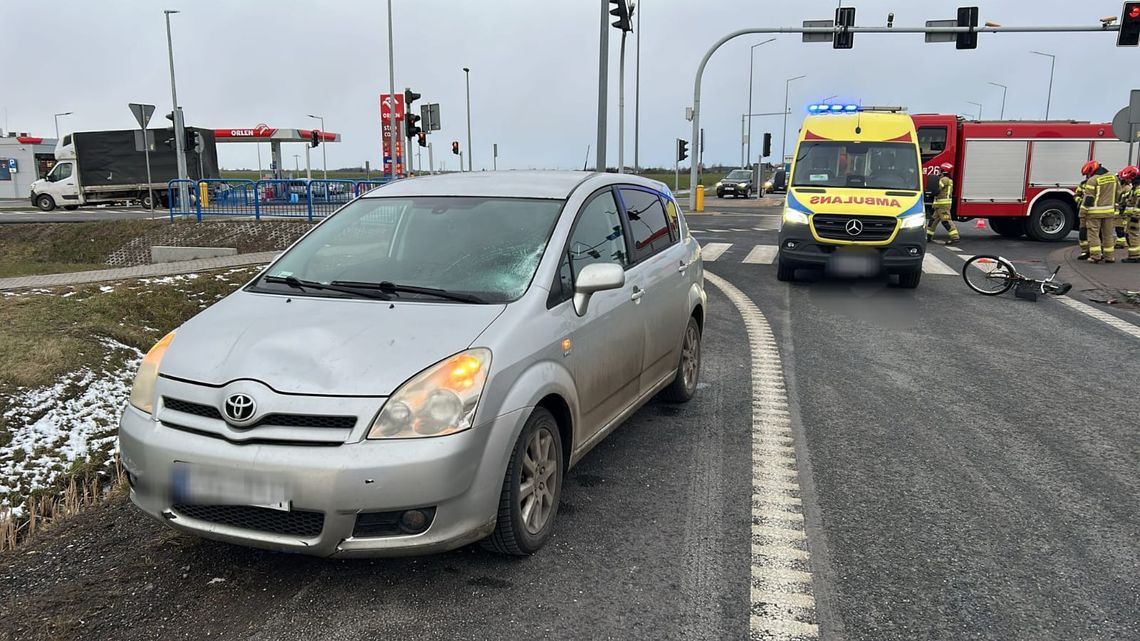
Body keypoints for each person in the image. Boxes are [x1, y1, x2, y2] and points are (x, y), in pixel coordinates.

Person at [1081, 160, 1119, 263]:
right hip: (1109, 212)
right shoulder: (1113, 177)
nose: (1088, 176)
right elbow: (1118, 194)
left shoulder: (1093, 180)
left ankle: (1095, 256)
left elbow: (1088, 199)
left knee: (1093, 234)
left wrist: (1083, 212)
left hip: (1094, 213)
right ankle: (1109, 257)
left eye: (1088, 174)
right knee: (1108, 235)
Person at [927, 162, 960, 244]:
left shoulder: (943, 180)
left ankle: (955, 237)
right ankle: (927, 236)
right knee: (933, 221)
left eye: (940, 170)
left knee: (946, 221)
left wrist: (930, 190)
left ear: (943, 170)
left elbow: (937, 189)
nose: (939, 171)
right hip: (940, 205)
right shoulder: (949, 180)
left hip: (942, 205)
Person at [1121, 165, 1140, 263]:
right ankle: (1134, 255)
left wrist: (1135, 216)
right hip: (1132, 216)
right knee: (1130, 234)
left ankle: (1134, 256)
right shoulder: (1135, 187)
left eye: (1128, 179)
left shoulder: (1138, 188)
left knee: (1133, 234)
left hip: (1135, 217)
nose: (1127, 181)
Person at [1075, 177, 1090, 260]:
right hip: (1083, 212)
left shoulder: (1098, 183)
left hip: (1093, 213)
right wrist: (1080, 201)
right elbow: (1076, 194)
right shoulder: (1083, 184)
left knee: (1094, 233)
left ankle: (1096, 252)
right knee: (1083, 232)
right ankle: (1085, 251)